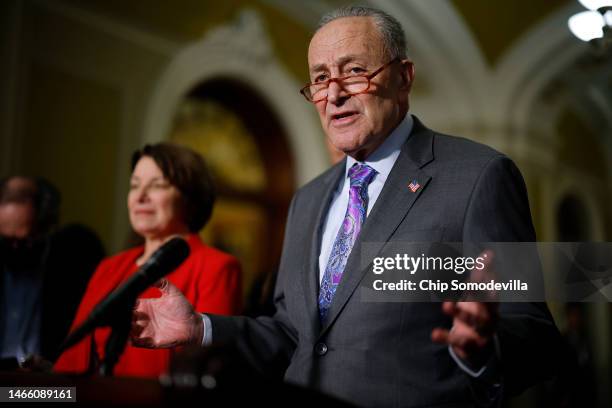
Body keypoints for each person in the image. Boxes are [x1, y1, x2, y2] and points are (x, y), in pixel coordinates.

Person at [130, 6, 562, 406]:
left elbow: (535, 334)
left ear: (403, 77)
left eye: (354, 72)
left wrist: (483, 349)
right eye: (319, 78)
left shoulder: (479, 176)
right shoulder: (309, 198)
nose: (333, 94)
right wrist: (201, 327)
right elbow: (292, 333)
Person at [54, 143, 242, 378]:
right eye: (134, 186)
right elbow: (71, 360)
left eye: (157, 185)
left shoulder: (217, 267)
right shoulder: (109, 267)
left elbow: (205, 367)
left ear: (190, 198)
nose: (140, 196)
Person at [0, 177, 104, 368]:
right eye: (6, 240)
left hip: (46, 385)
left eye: (24, 242)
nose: (14, 249)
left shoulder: (72, 262)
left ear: (46, 228)